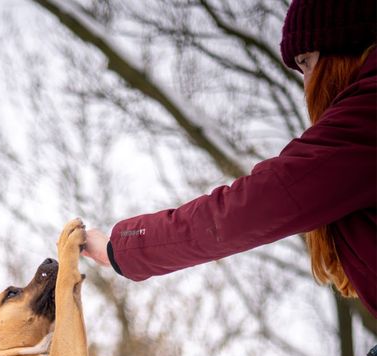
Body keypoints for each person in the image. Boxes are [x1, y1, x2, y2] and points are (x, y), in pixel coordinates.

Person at [82, 0, 377, 323]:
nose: (306, 83)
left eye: (306, 62)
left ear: (344, 49)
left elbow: (251, 206)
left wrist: (121, 249)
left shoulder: (367, 116)